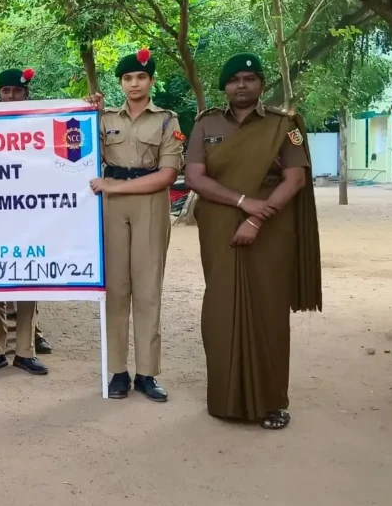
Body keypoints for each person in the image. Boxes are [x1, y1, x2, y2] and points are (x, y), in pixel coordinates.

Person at [184, 53, 321, 430]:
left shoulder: (284, 125)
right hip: (219, 227)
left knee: (269, 313)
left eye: (249, 78)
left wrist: (256, 219)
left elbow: (295, 179)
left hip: (271, 230)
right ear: (224, 87)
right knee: (220, 310)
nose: (241, 85)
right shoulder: (206, 123)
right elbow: (195, 176)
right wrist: (244, 203)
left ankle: (274, 402)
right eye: (234, 80)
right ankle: (225, 398)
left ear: (261, 83)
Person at [89, 49, 185, 402]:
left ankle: (146, 373)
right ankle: (117, 371)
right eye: (128, 78)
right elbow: (79, 148)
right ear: (121, 83)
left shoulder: (165, 120)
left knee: (147, 290)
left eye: (141, 77)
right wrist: (87, 112)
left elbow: (168, 173)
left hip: (148, 203)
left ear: (151, 82)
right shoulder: (104, 119)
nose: (134, 84)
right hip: (111, 208)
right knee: (115, 289)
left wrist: (116, 185)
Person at [0, 67, 48, 376]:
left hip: (28, 214)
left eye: (17, 91)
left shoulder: (40, 124)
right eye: (6, 91)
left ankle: (25, 351)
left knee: (29, 278)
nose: (11, 96)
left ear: (25, 94)